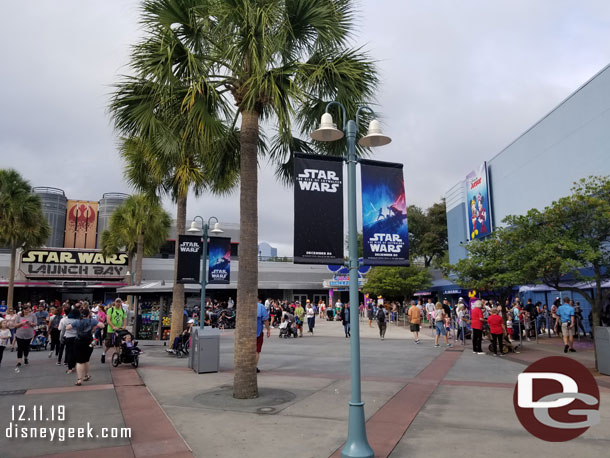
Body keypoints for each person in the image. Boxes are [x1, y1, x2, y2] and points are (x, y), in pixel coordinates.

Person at [68, 307, 102, 386]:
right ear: (88, 314)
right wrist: (94, 327)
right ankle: (86, 376)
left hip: (78, 341)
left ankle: (79, 379)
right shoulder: (92, 321)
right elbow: (102, 325)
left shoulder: (77, 321)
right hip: (89, 342)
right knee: (86, 359)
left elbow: (68, 327)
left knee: (79, 361)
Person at [102, 298, 127, 364]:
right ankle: (104, 353)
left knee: (118, 343)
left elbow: (124, 319)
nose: (118, 303)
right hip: (111, 330)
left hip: (119, 330)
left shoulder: (123, 310)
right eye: (117, 302)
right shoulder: (111, 310)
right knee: (108, 344)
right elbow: (108, 320)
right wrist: (113, 327)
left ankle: (118, 356)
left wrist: (124, 326)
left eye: (119, 302)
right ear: (114, 302)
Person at [14, 306, 37, 370]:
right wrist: (21, 323)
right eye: (26, 310)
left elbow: (35, 324)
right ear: (23, 310)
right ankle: (19, 362)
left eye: (28, 310)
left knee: (26, 348)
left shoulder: (33, 316)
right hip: (20, 334)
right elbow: (15, 325)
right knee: (20, 348)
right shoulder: (19, 316)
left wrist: (30, 323)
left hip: (29, 334)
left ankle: (26, 357)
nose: (27, 311)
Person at [59, 308, 80, 373]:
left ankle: (70, 368)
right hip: (77, 337)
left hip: (68, 337)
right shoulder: (78, 320)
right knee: (75, 352)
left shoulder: (64, 320)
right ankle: (74, 366)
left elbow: (62, 330)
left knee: (69, 353)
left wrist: (61, 338)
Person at [256, 299, 270, 373]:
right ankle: (254, 367)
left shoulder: (244, 305)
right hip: (258, 333)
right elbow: (265, 320)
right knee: (257, 351)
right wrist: (268, 330)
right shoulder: (260, 306)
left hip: (245, 333)